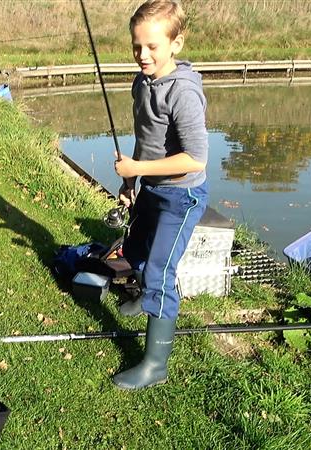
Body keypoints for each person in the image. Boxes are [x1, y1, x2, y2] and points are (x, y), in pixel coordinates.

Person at [112, 0, 209, 390]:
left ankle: (156, 365)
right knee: (135, 249)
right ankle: (145, 298)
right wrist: (131, 181)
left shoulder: (183, 92)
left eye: (152, 46)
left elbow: (195, 159)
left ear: (176, 44)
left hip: (181, 197)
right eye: (137, 46)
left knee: (159, 272)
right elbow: (145, 137)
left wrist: (138, 168)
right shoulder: (142, 82)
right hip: (151, 187)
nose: (143, 55)